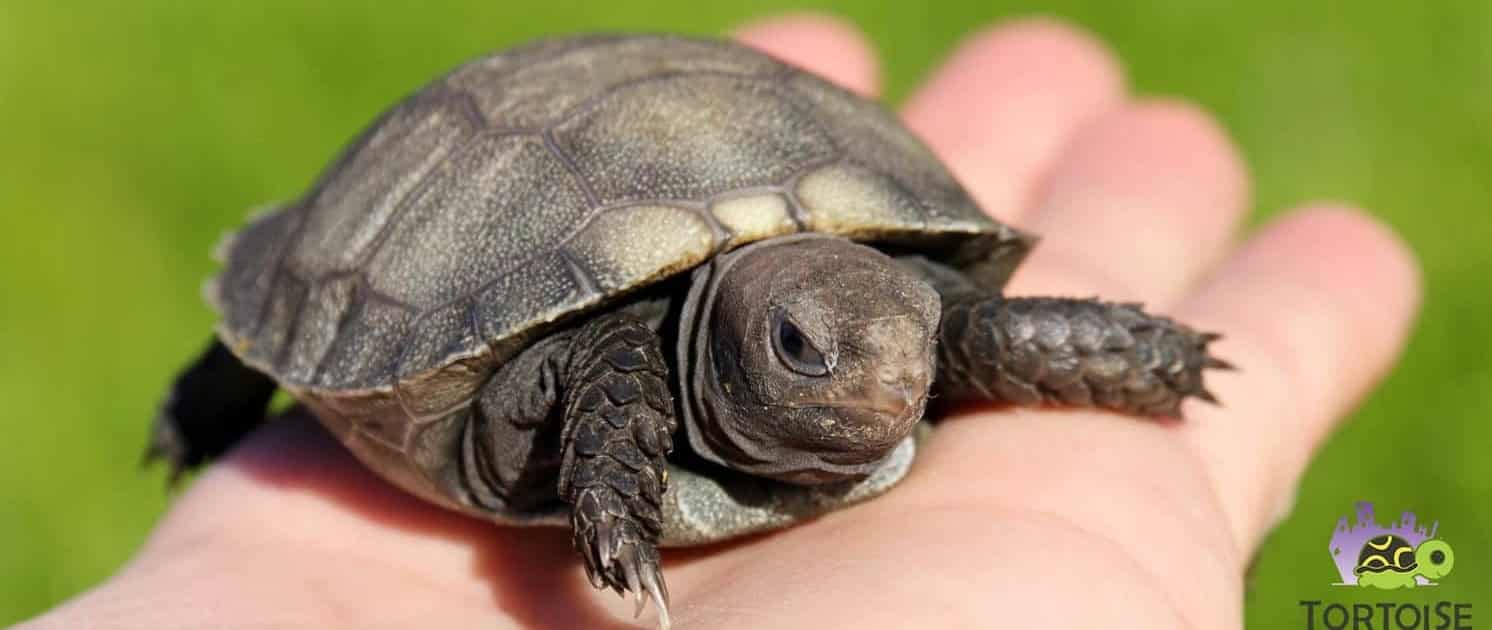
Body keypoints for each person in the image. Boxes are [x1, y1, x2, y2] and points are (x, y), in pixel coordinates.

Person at [16, 13, 1418, 630]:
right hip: (507, 183)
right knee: (601, 363)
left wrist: (1138, 358)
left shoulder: (895, 329)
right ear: (742, 346)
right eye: (813, 354)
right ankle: (219, 382)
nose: (888, 380)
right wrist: (609, 506)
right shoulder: (631, 359)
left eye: (908, 347)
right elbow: (613, 373)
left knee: (933, 335)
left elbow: (934, 333)